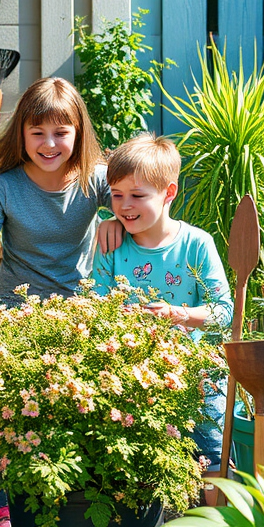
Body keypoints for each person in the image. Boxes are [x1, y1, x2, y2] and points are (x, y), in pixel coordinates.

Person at [0, 76, 119, 527]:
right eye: (38, 133)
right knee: (13, 413)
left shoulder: (97, 179)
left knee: (74, 410)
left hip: (77, 314)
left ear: (78, 131)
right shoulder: (5, 186)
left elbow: (139, 206)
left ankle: (70, 495)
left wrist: (117, 218)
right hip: (15, 315)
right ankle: (5, 501)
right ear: (22, 134)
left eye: (61, 132)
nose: (49, 143)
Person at [91, 132, 232, 503]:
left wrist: (177, 314)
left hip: (199, 376)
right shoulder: (112, 245)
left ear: (168, 193)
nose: (125, 205)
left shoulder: (196, 244)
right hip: (131, 376)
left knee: (213, 453)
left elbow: (224, 312)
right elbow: (95, 308)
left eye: (138, 196)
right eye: (116, 195)